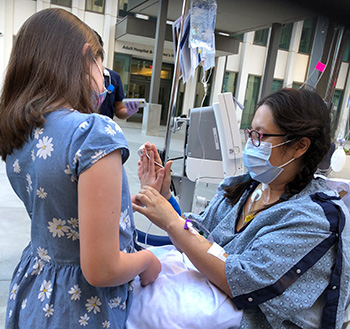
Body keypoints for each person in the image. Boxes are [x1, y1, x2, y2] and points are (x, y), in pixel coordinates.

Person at [132, 88, 350, 329]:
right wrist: (164, 198)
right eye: (251, 133)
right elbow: (199, 234)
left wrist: (171, 221)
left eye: (261, 136)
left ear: (300, 146)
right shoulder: (244, 187)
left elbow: (241, 280)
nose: (251, 144)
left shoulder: (313, 219)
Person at [0, 8, 161, 329]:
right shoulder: (92, 133)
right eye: (102, 64)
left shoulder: (21, 133)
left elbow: (58, 207)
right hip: (81, 308)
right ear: (87, 57)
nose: (105, 79)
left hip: (38, 288)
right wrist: (148, 261)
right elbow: (103, 269)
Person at [94, 31, 140, 120]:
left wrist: (128, 112)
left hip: (105, 128)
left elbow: (119, 109)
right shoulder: (75, 76)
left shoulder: (113, 78)